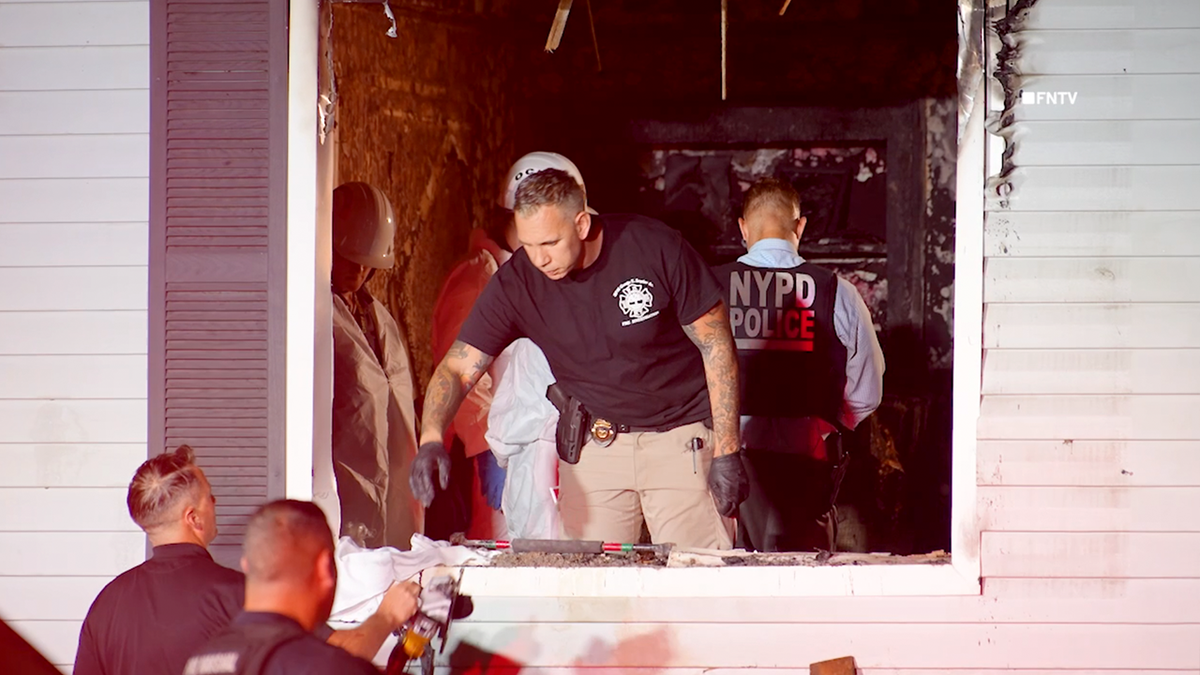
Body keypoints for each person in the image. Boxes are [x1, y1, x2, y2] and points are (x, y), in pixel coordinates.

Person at [410, 161, 749, 549]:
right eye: (528, 244)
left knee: (695, 578)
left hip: (680, 441)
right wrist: (432, 437)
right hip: (596, 448)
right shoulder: (519, 282)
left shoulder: (652, 247)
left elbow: (716, 343)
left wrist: (727, 451)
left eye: (550, 243)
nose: (539, 259)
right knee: (589, 588)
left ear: (582, 225)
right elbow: (457, 367)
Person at [74, 446, 421, 675]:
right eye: (210, 497)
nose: (216, 502)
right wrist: (389, 613)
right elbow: (338, 658)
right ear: (193, 518)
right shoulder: (236, 594)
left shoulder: (105, 606)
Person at [714, 177, 885, 551]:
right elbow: (867, 391)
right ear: (800, 226)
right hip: (808, 459)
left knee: (724, 575)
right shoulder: (836, 290)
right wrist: (826, 425)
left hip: (722, 460)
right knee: (803, 576)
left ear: (743, 227)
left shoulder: (710, 287)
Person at [426, 152, 570, 541]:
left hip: (554, 446)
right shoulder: (477, 281)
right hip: (500, 449)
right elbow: (457, 370)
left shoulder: (543, 275)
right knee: (501, 548)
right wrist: (483, 450)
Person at [184, 499, 416, 675]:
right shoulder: (326, 666)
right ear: (325, 569)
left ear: (247, 567)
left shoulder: (199, 662)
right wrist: (388, 615)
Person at [331, 181, 421, 549]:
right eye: (350, 260)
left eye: (365, 264)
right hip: (341, 486)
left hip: (391, 485)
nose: (357, 272)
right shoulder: (315, 316)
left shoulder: (377, 319)